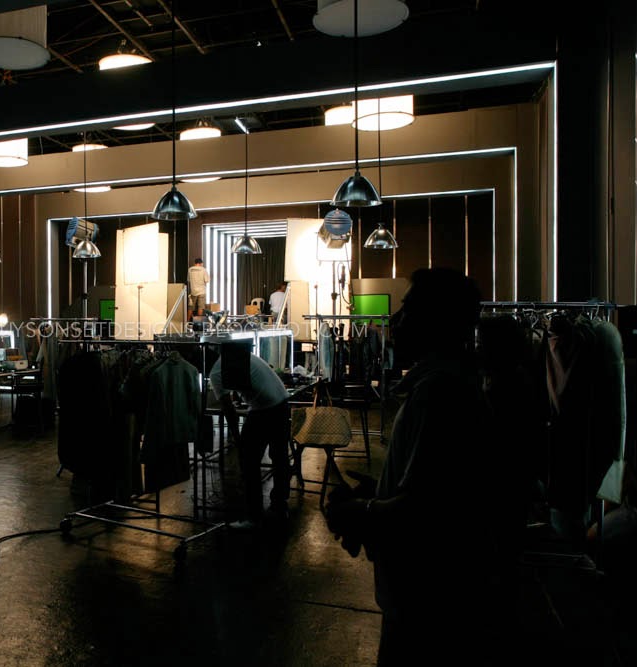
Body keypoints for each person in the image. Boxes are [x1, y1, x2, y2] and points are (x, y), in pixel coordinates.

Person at [324, 267, 511, 666]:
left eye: (407, 310)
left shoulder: (439, 393)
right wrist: (381, 490)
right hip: (427, 594)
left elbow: (425, 510)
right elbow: (436, 484)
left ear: (435, 321)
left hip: (428, 599)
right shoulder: (446, 384)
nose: (395, 321)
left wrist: (360, 512)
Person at [208, 346, 291, 530]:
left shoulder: (215, 372)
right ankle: (280, 506)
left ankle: (254, 516)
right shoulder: (239, 355)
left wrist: (236, 438)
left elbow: (228, 409)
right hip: (282, 403)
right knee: (280, 459)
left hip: (264, 410)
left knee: (249, 462)